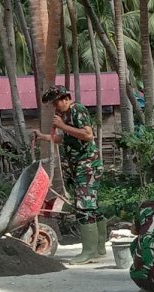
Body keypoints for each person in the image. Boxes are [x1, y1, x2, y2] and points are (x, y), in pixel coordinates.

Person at [34, 85, 106, 265]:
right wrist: (44, 136)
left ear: (65, 98)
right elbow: (67, 139)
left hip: (87, 166)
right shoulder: (67, 115)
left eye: (56, 103)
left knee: (83, 206)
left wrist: (62, 126)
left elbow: (88, 135)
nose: (55, 107)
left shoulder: (77, 109)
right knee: (91, 206)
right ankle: (99, 248)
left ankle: (89, 251)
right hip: (80, 167)